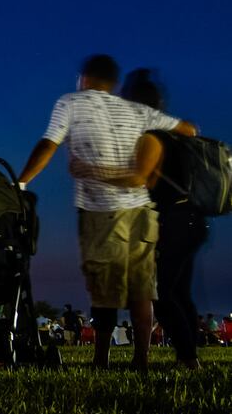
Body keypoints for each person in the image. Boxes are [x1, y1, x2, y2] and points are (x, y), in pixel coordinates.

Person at [18, 54, 196, 369]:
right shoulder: (135, 111)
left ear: (84, 78)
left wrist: (21, 180)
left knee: (104, 290)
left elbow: (49, 143)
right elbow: (188, 129)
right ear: (113, 83)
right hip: (141, 210)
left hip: (100, 210)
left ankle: (102, 358)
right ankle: (141, 357)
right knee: (143, 287)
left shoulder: (71, 102)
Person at [68, 69, 208, 369]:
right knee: (180, 292)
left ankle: (188, 359)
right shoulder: (175, 134)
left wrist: (93, 172)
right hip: (192, 218)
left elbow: (138, 178)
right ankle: (189, 356)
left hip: (174, 220)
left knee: (163, 293)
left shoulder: (152, 137)